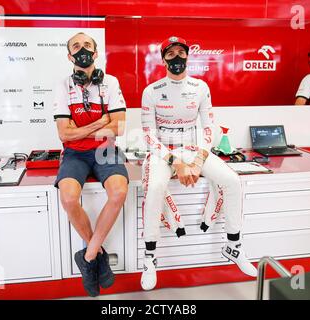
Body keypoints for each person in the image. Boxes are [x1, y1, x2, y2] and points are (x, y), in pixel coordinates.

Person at [140, 36, 257, 291]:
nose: (177, 58)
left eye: (181, 52)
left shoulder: (201, 87)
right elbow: (149, 136)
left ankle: (233, 245)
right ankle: (150, 257)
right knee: (154, 187)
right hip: (163, 153)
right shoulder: (151, 91)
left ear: (188, 56)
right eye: (171, 54)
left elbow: (208, 128)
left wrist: (198, 160)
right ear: (163, 60)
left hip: (196, 150)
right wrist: (177, 163)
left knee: (232, 181)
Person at [53, 32, 128, 297]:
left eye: (87, 45)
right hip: (74, 153)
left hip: (105, 149)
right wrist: (99, 122)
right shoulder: (63, 86)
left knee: (119, 191)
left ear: (96, 54)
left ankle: (89, 256)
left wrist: (81, 127)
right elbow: (64, 134)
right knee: (69, 199)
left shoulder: (111, 81)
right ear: (69, 55)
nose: (82, 49)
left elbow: (117, 127)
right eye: (76, 46)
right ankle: (98, 256)